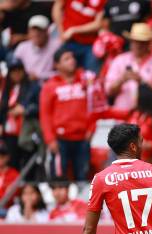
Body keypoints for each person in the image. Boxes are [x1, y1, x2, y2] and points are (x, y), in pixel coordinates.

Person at [39, 48, 91, 181]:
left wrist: (91, 129)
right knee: (58, 177)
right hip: (60, 139)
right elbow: (45, 115)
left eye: (72, 57)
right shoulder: (50, 86)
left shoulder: (86, 79)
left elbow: (94, 107)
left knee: (83, 177)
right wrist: (50, 139)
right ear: (57, 65)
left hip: (82, 137)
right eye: (66, 59)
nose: (72, 61)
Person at [105, 23, 152, 111]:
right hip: (122, 112)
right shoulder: (120, 60)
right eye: (135, 41)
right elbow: (108, 91)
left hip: (147, 113)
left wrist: (142, 81)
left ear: (149, 43)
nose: (138, 45)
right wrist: (122, 79)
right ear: (131, 42)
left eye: (142, 42)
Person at [52, 0, 105, 71]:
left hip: (89, 44)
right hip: (69, 41)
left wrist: (73, 30)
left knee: (91, 74)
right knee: (65, 71)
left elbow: (99, 24)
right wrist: (61, 31)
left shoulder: (103, 1)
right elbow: (57, 7)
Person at [14, 15, 62, 81]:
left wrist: (40, 76)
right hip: (27, 84)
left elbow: (63, 72)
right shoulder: (22, 47)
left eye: (40, 30)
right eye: (33, 30)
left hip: (50, 83)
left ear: (47, 31)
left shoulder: (57, 45)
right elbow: (14, 70)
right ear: (29, 31)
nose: (36, 33)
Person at [0, 142, 20, 206]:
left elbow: (11, 196)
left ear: (7, 157)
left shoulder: (14, 174)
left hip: (6, 209)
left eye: (2, 155)